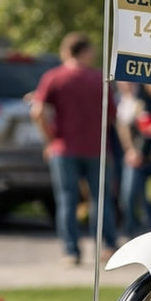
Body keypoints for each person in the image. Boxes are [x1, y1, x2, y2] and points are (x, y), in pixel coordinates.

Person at [31, 32, 118, 265]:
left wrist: (50, 139)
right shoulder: (100, 79)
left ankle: (71, 251)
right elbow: (111, 116)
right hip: (97, 148)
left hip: (64, 148)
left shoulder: (54, 77)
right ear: (84, 51)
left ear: (65, 52)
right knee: (100, 199)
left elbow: (37, 111)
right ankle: (108, 247)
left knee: (67, 199)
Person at [115, 82, 151, 239]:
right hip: (128, 155)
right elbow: (121, 128)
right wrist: (129, 150)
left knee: (132, 192)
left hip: (147, 155)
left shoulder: (145, 97)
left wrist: (142, 152)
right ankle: (135, 230)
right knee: (131, 194)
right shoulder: (119, 99)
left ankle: (143, 230)